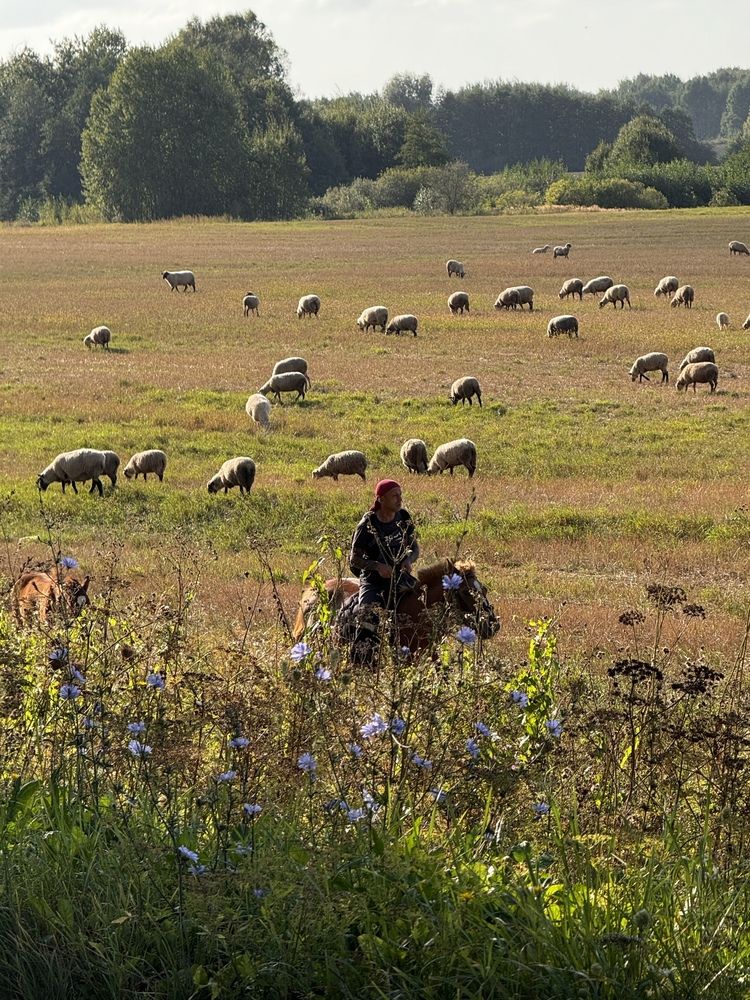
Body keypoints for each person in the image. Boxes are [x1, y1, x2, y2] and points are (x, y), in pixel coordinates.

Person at [348, 479, 420, 665]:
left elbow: (414, 547)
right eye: (395, 496)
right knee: (367, 620)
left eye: (400, 495)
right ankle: (361, 662)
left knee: (421, 608)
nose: (399, 499)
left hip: (400, 577)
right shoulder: (367, 525)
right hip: (373, 581)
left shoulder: (403, 517)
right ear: (381, 499)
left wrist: (408, 559)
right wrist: (377, 567)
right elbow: (354, 560)